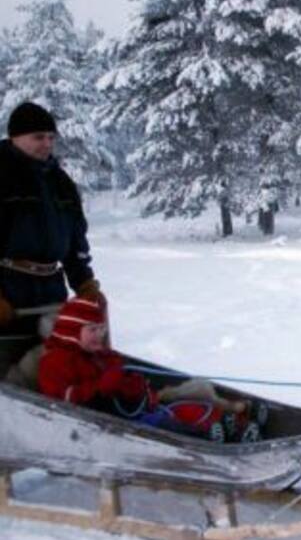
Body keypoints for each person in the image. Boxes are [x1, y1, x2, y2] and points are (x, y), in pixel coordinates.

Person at [39, 296, 258, 441]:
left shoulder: (102, 355)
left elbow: (124, 381)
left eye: (102, 329)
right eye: (92, 330)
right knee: (167, 423)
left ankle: (233, 419)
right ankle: (213, 438)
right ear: (72, 330)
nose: (101, 335)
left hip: (138, 407)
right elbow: (60, 404)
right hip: (110, 425)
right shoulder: (55, 362)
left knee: (192, 394)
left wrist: (130, 384)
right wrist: (100, 386)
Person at [0, 102, 102, 334]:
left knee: (57, 360)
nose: (47, 144)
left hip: (51, 290)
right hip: (8, 290)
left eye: (50, 137)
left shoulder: (61, 182)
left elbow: (76, 241)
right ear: (15, 137)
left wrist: (85, 284)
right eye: (38, 137)